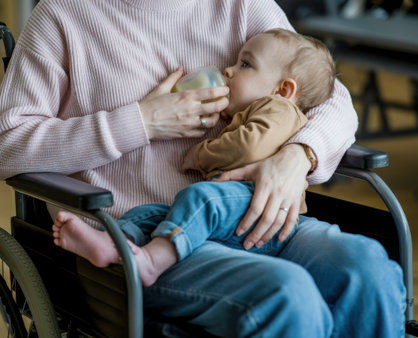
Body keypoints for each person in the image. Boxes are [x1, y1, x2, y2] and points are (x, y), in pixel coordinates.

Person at [0, 0, 405, 337]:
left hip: (252, 216)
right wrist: (141, 121)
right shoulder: (62, 16)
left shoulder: (242, 7)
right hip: (143, 237)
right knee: (286, 295)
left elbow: (329, 95)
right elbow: (3, 146)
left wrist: (296, 156)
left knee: (368, 267)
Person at [51, 28, 336, 288]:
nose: (229, 70)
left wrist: (200, 154)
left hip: (256, 209)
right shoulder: (259, 109)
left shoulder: (280, 109)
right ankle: (112, 243)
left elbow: (249, 147)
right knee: (150, 213)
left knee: (200, 198)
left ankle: (151, 263)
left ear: (283, 90)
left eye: (245, 65)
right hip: (233, 209)